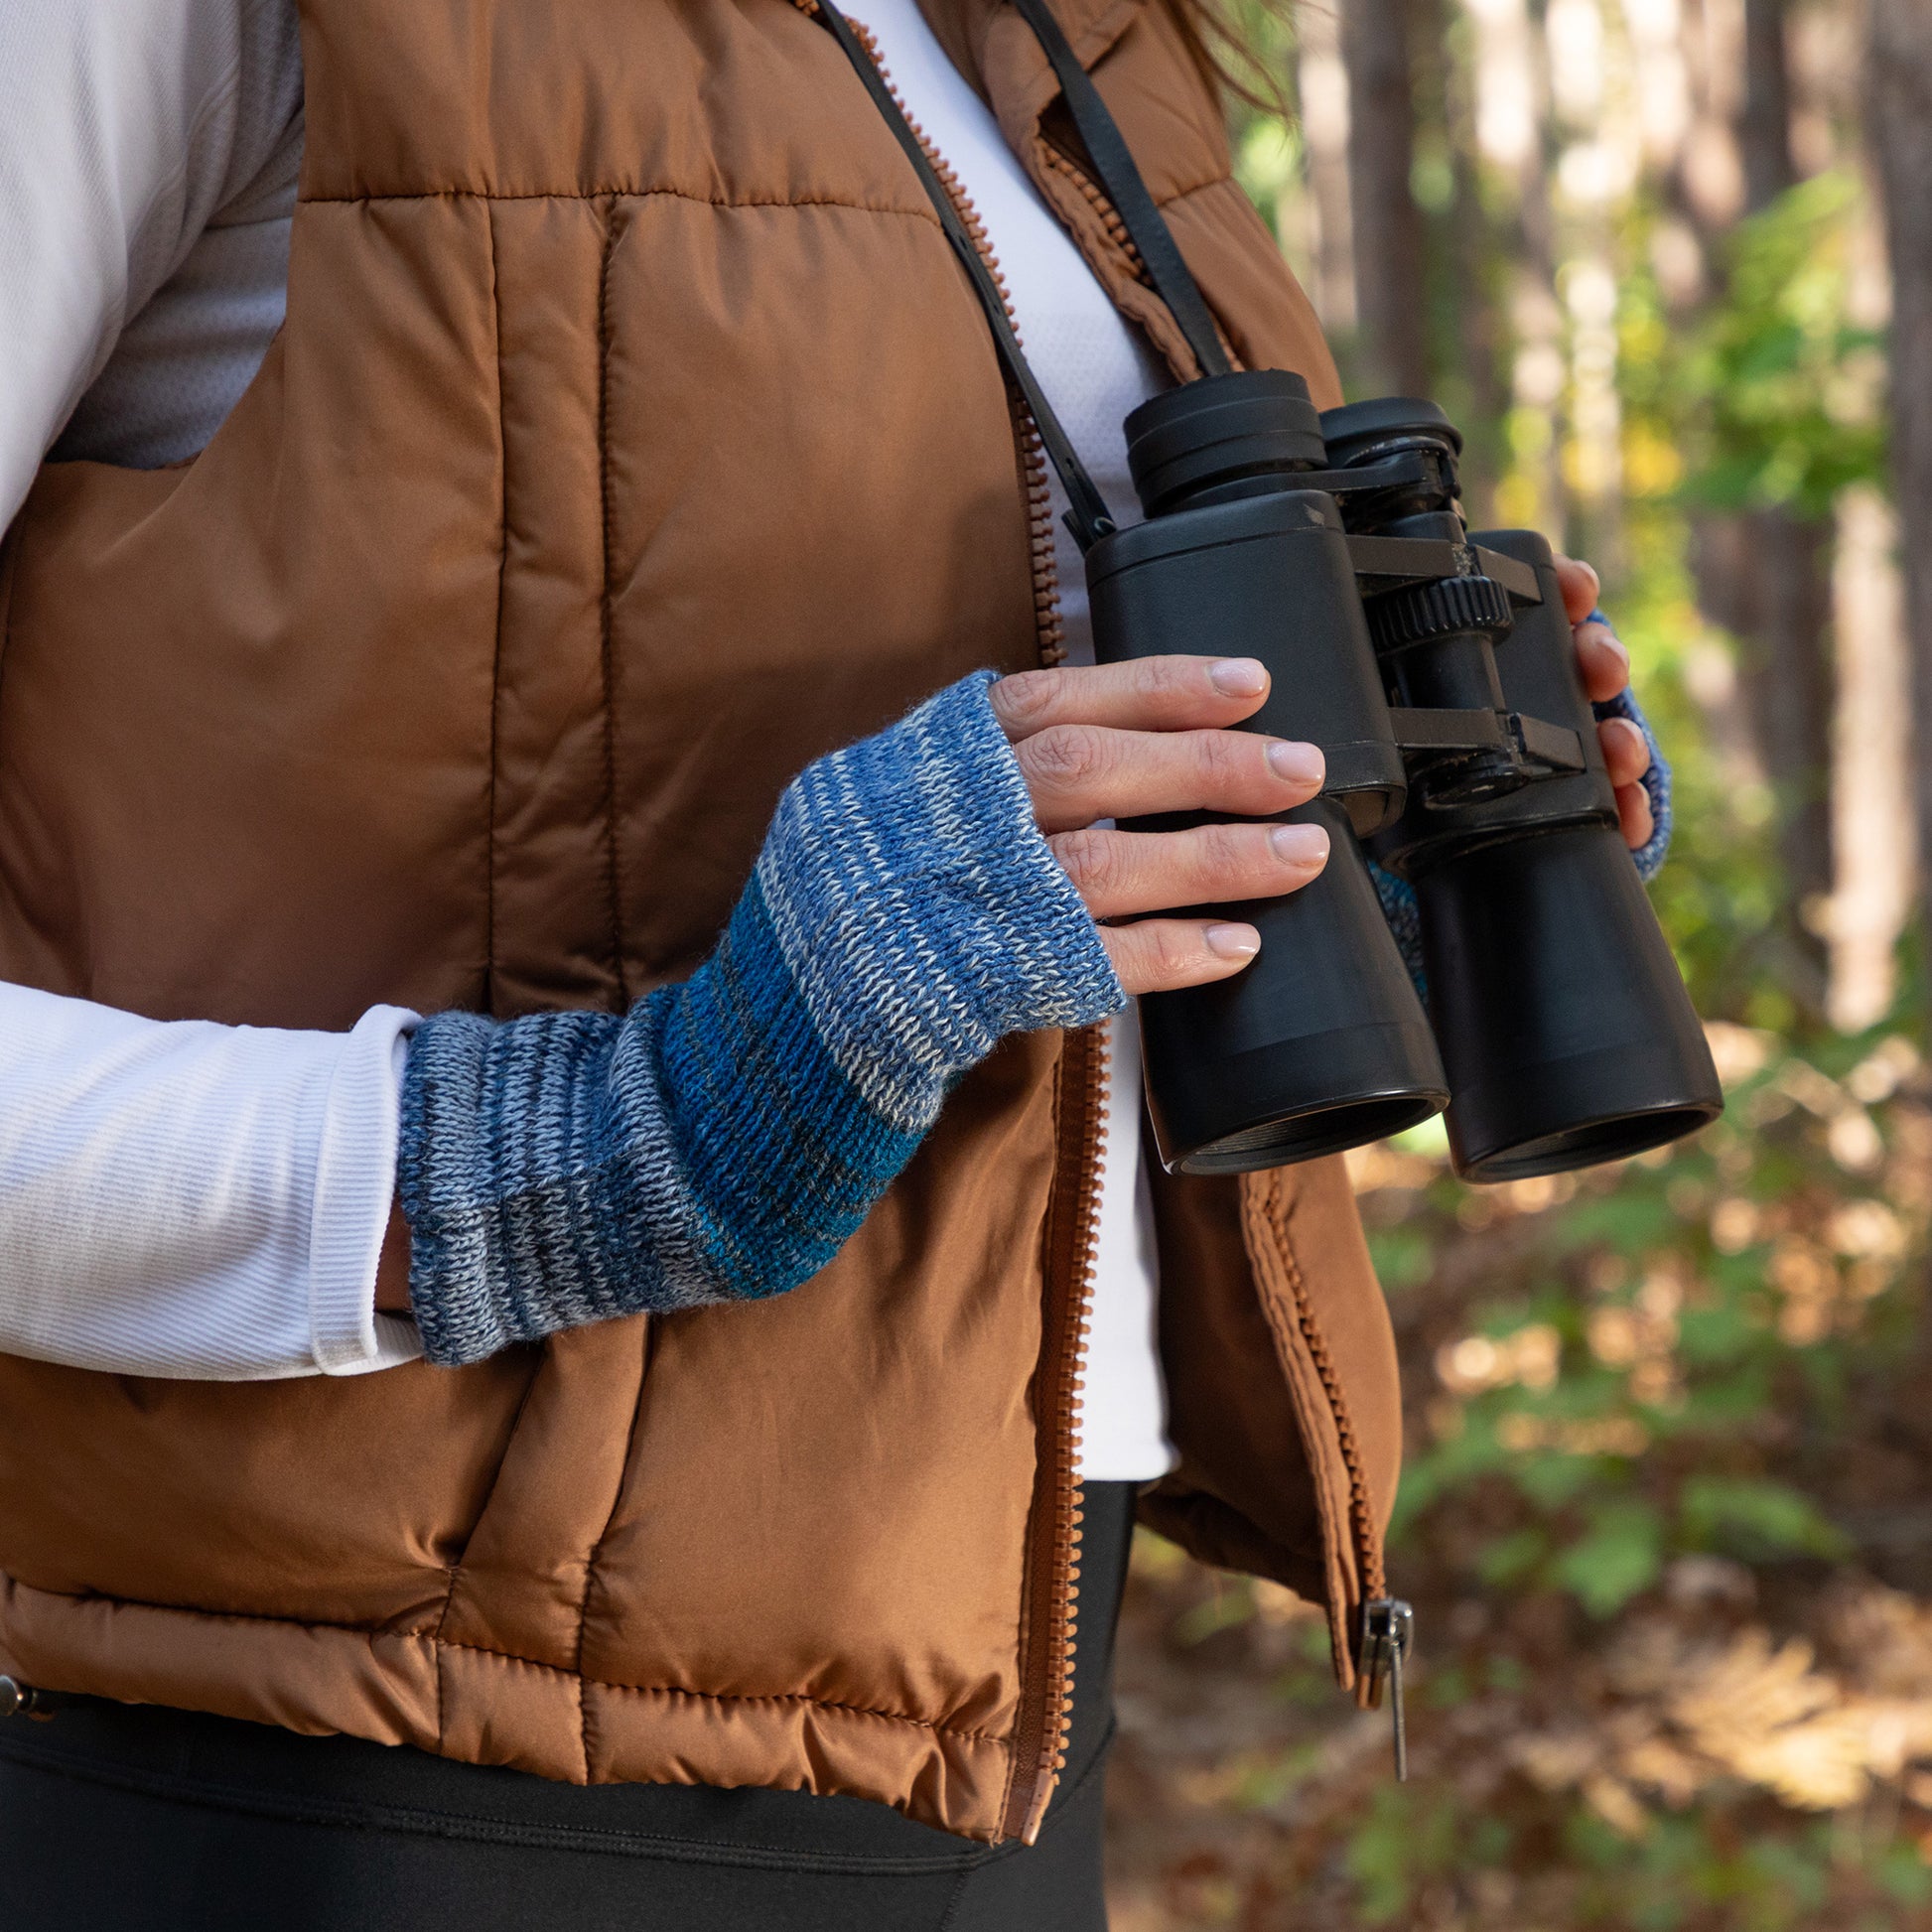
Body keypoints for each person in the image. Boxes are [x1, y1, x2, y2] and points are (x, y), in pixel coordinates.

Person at [0, 0, 1665, 1924]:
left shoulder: (1072, 44)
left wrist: (1348, 853)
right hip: (370, 1782)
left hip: (991, 1740)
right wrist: (599, 1150)